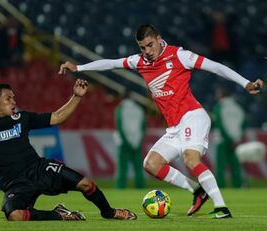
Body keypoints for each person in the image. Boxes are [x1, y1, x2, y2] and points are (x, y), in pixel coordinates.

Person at [59, 24, 264, 219]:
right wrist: (78, 67)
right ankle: (198, 191)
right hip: (174, 127)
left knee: (190, 159)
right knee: (151, 164)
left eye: (150, 45)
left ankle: (222, 208)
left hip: (192, 115)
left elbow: (216, 67)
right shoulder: (139, 61)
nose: (147, 50)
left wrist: (246, 83)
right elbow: (110, 63)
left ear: (159, 39)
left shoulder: (180, 56)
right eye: (142, 47)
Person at [0, 79, 137, 221]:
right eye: (8, 98)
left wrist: (75, 97)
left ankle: (108, 212)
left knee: (87, 184)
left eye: (14, 97)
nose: (13, 101)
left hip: (39, 169)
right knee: (16, 216)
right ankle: (58, 214)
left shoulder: (22, 118)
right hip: (14, 183)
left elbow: (56, 117)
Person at [213, 87, 245, 188]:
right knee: (235, 165)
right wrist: (237, 138)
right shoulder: (238, 107)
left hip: (222, 140)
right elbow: (244, 123)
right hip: (235, 140)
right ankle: (238, 185)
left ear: (221, 95)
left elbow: (220, 124)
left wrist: (228, 138)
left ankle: (220, 186)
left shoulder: (219, 107)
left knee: (220, 165)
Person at [114, 90, 146, 189]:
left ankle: (120, 187)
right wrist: (138, 141)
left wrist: (126, 141)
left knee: (122, 168)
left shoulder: (120, 109)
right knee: (138, 168)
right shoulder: (139, 109)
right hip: (136, 142)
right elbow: (143, 126)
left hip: (123, 143)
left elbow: (119, 126)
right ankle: (140, 187)